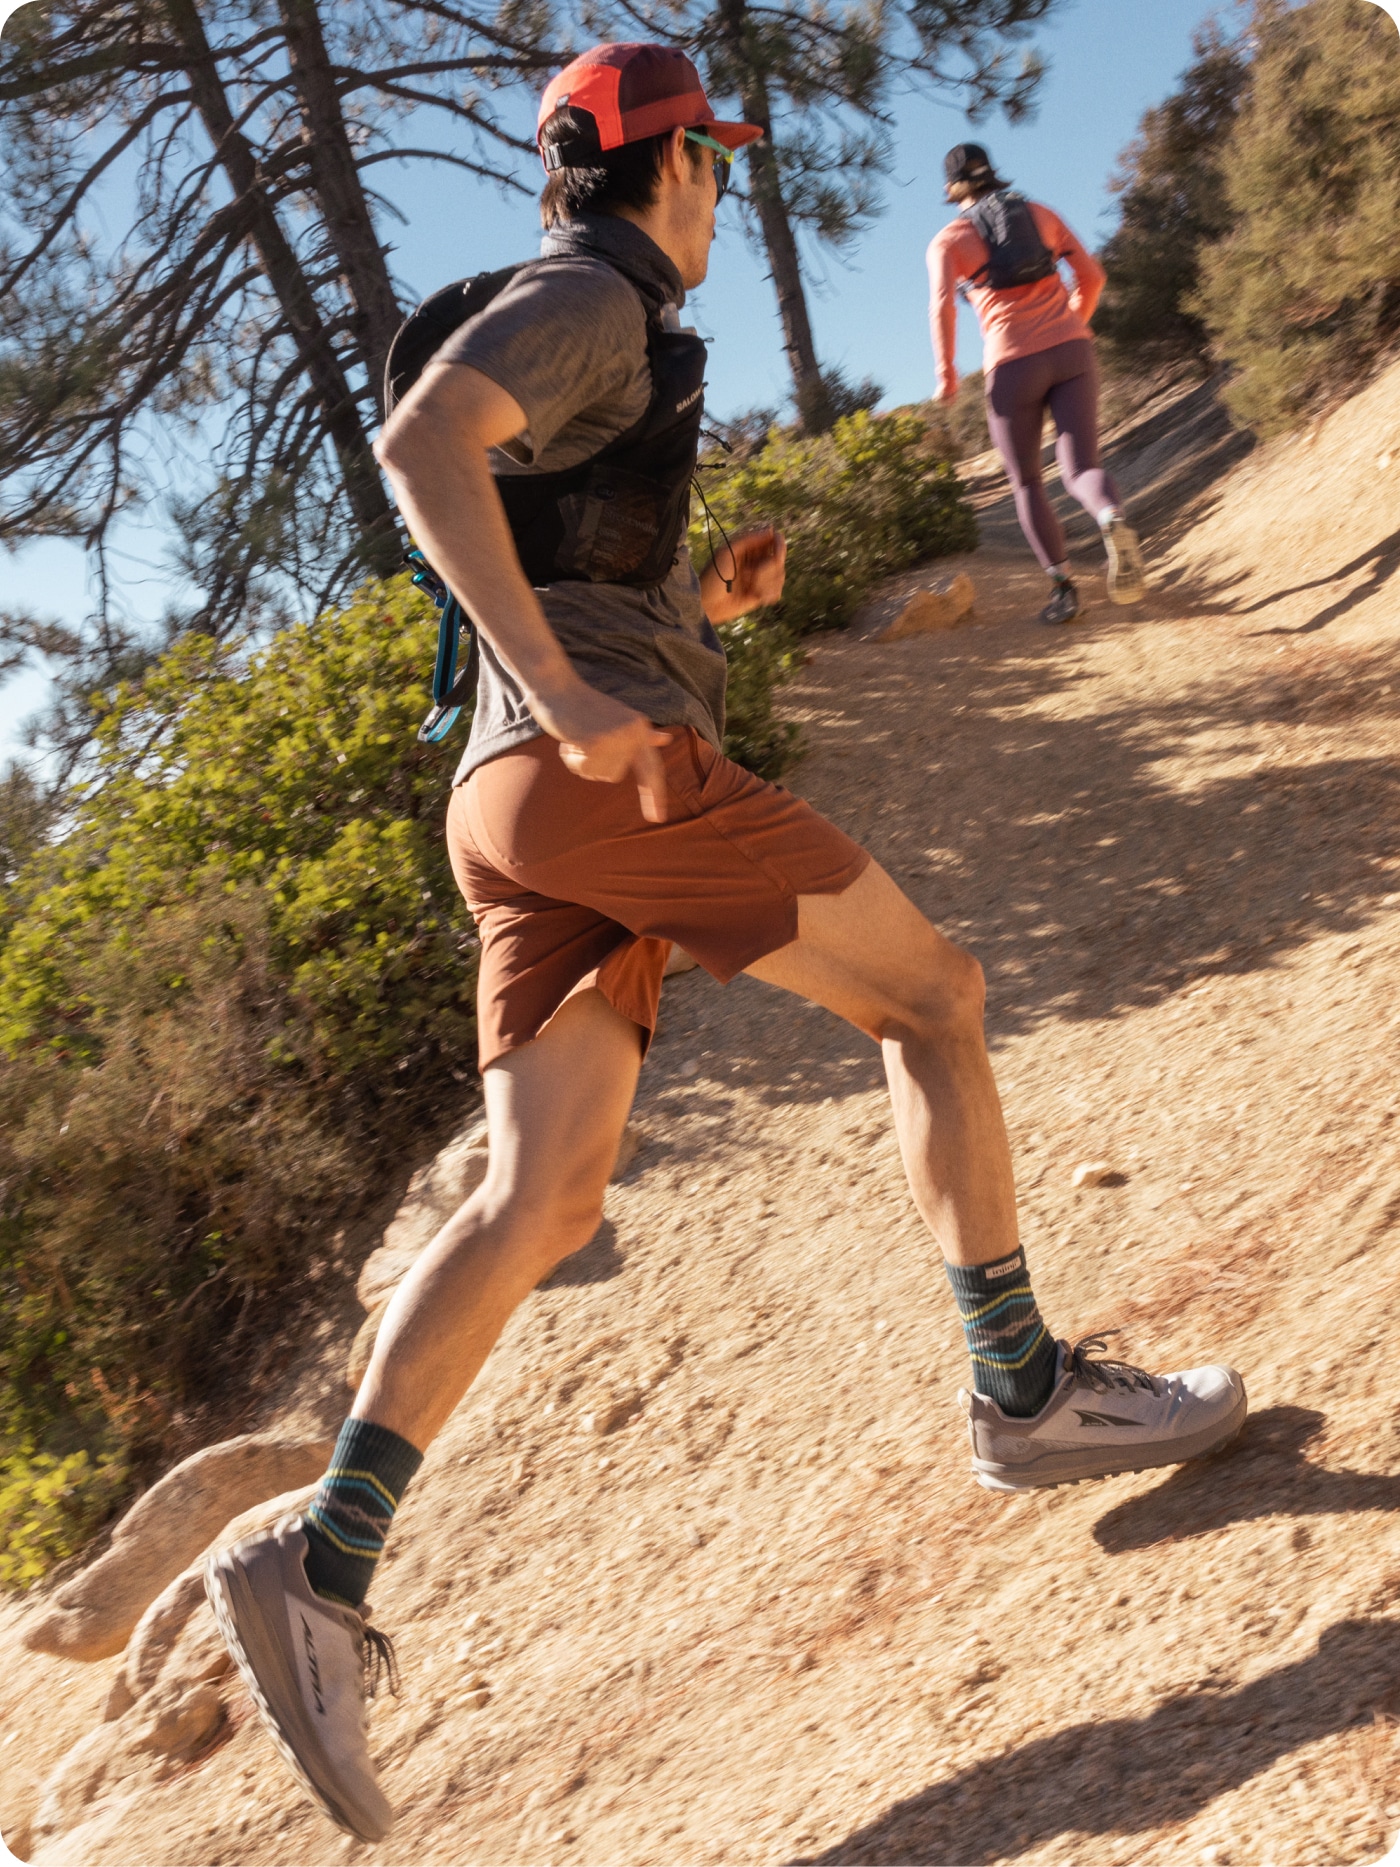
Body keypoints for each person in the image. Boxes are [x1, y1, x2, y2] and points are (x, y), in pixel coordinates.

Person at [205, 46, 1246, 1844]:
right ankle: (1024, 1388)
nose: (718, 192)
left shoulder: (598, 317)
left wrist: (704, 610)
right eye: (713, 163)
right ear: (669, 164)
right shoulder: (593, 287)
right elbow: (419, 440)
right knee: (937, 1000)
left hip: (510, 809)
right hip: (596, 774)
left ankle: (319, 1556)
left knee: (542, 1198)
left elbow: (539, 529)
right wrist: (570, 689)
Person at [929, 141, 1146, 626]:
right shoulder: (1041, 213)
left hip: (1011, 366)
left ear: (951, 189)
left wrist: (946, 374)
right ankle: (1110, 517)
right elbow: (1091, 276)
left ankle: (1064, 590)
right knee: (1080, 468)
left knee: (1027, 482)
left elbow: (942, 307)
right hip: (1073, 351)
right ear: (993, 174)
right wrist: (1072, 327)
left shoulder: (948, 240)